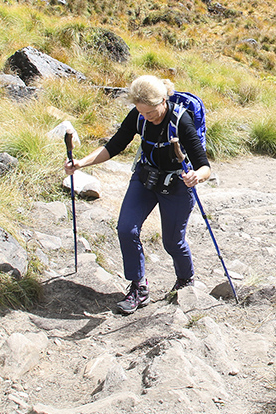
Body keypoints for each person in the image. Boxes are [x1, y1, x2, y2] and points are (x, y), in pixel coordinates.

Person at [65, 76, 211, 314]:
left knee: (172, 242)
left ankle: (185, 280)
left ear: (164, 100)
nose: (147, 117)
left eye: (151, 112)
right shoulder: (139, 116)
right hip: (145, 178)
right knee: (126, 229)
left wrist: (197, 176)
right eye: (141, 113)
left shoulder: (181, 120)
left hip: (177, 185)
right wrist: (81, 163)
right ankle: (138, 287)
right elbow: (114, 146)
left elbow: (204, 165)